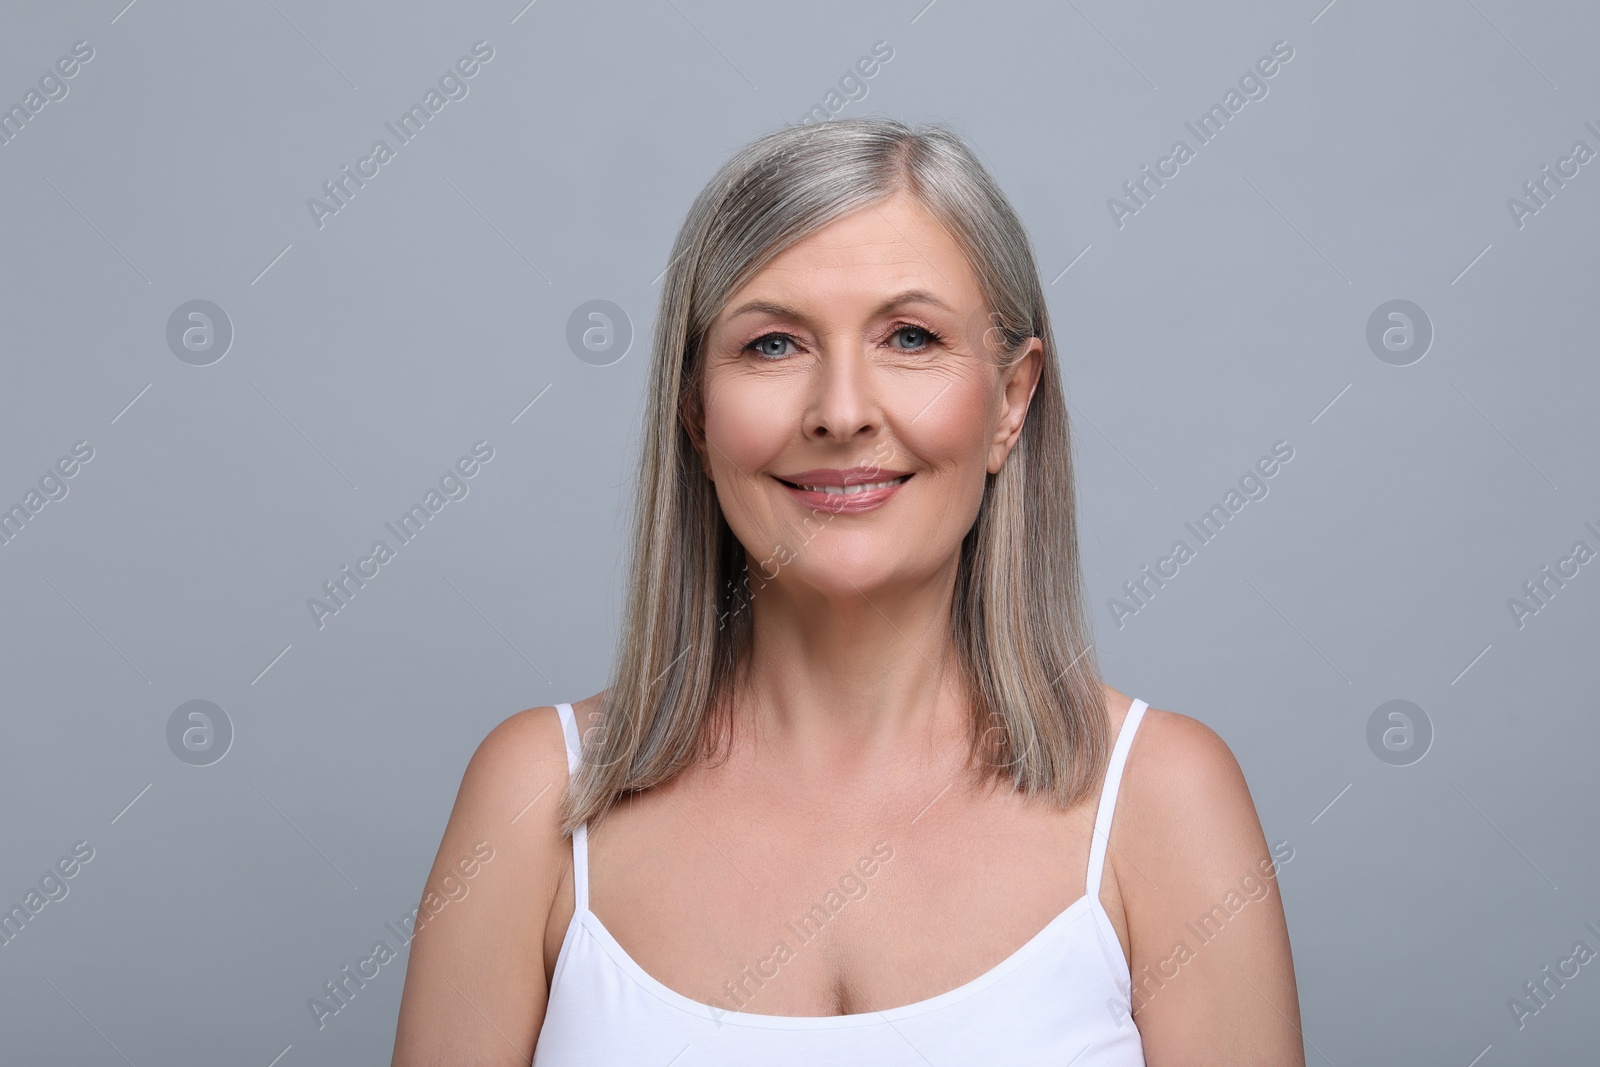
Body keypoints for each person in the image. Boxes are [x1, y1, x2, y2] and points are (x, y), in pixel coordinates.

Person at [391, 117, 1304, 1065]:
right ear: (696, 414)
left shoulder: (1164, 798)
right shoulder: (537, 799)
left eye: (910, 337)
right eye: (774, 345)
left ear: (1012, 400)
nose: (840, 412)